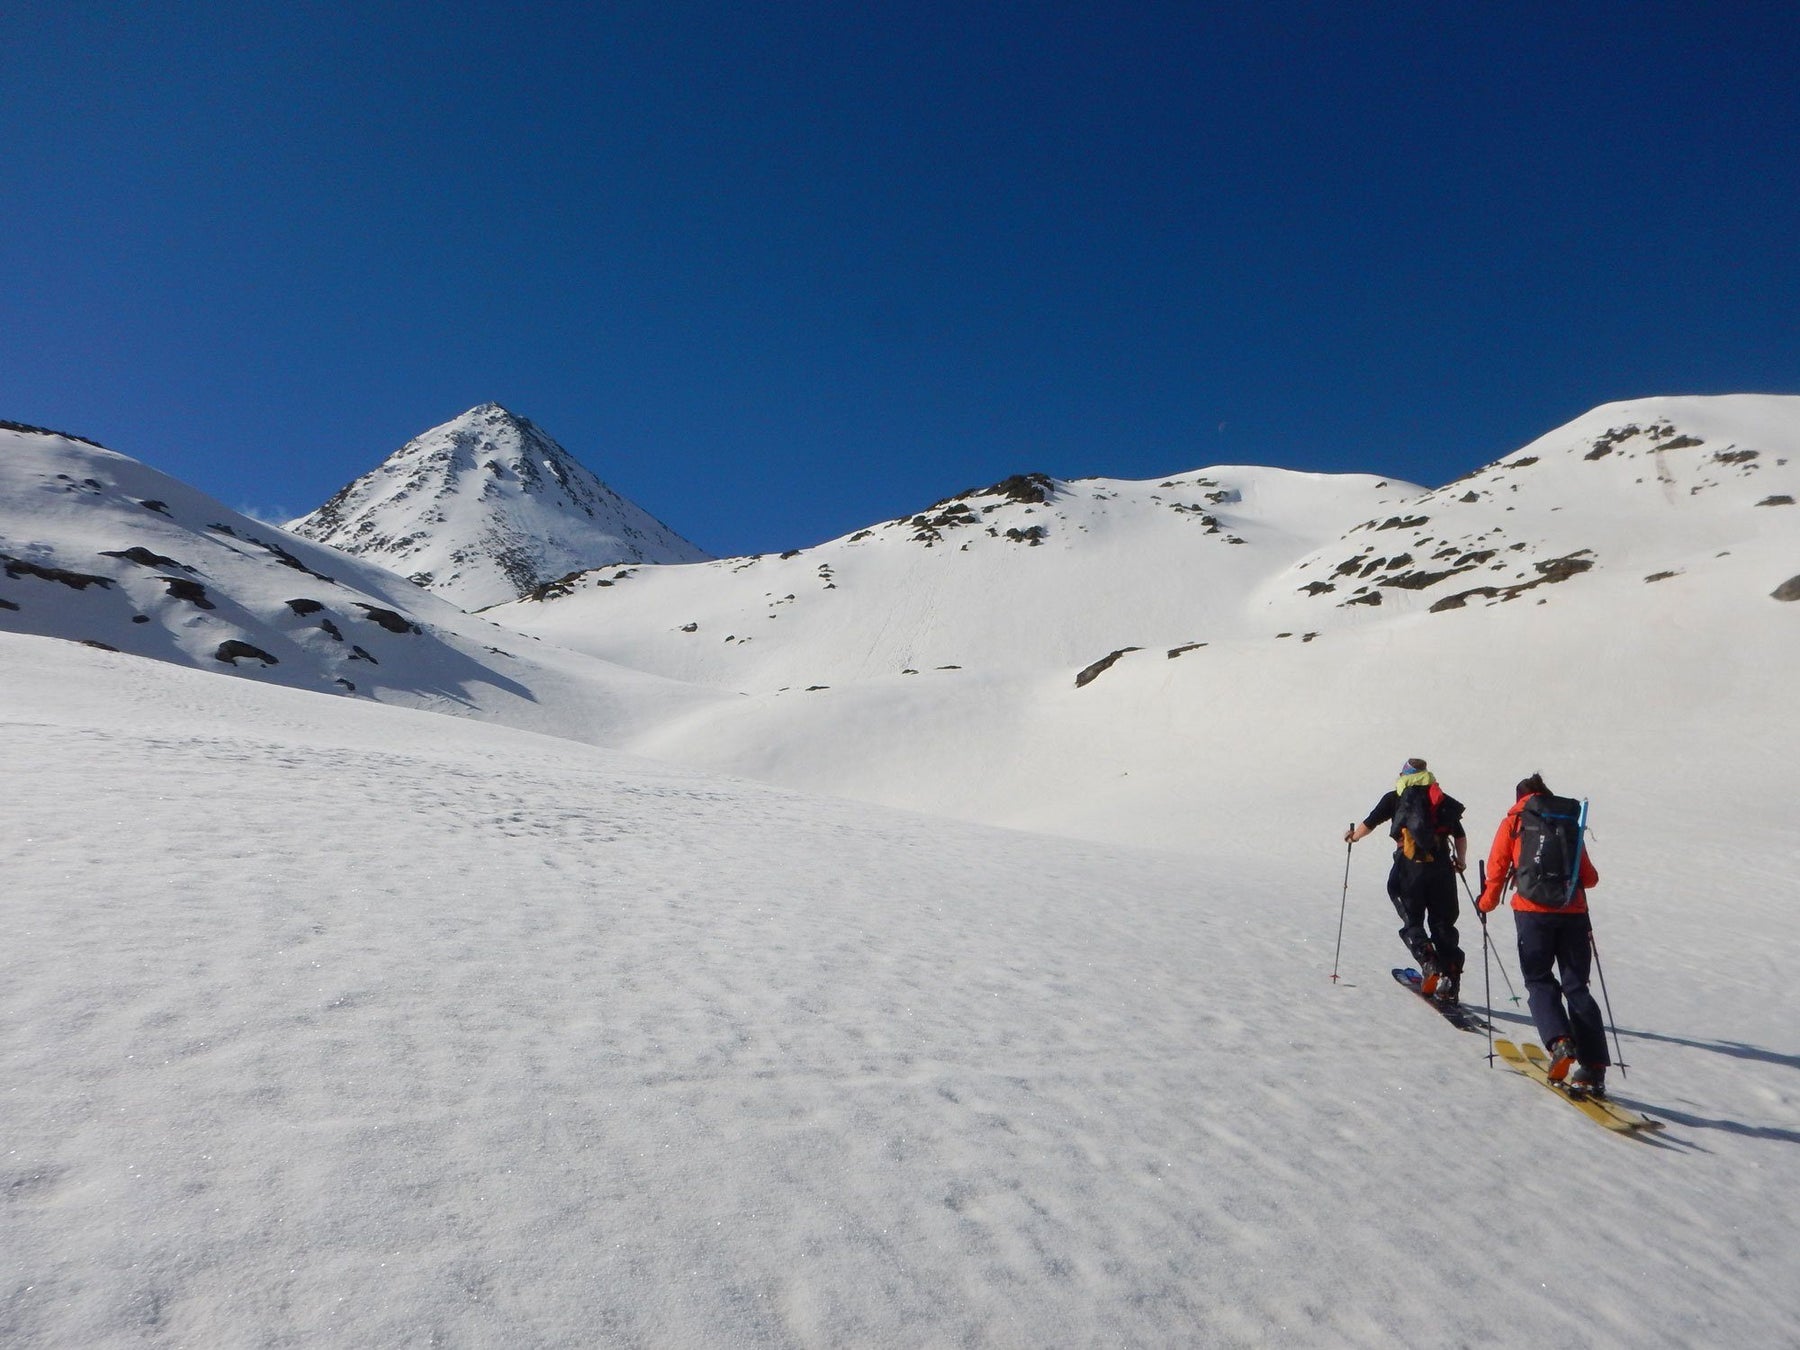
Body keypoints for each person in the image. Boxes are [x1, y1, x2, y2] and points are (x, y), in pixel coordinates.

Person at [1476, 774, 1606, 1093]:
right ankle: (1593, 1067)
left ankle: (1560, 1042)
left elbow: (1497, 865)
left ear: (1520, 796)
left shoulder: (1516, 820)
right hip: (1573, 912)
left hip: (1532, 913)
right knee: (1577, 987)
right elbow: (1589, 878)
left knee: (1538, 979)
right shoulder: (1567, 820)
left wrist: (1487, 901)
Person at [1344, 757, 1468, 1001]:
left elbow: (1370, 822)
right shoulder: (1439, 798)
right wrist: (1460, 861)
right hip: (1442, 866)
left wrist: (1353, 837)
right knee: (1443, 922)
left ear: (1404, 774)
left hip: (1410, 867)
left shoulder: (1395, 797)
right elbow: (1460, 836)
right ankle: (1450, 979)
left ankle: (1428, 961)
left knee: (1410, 915)